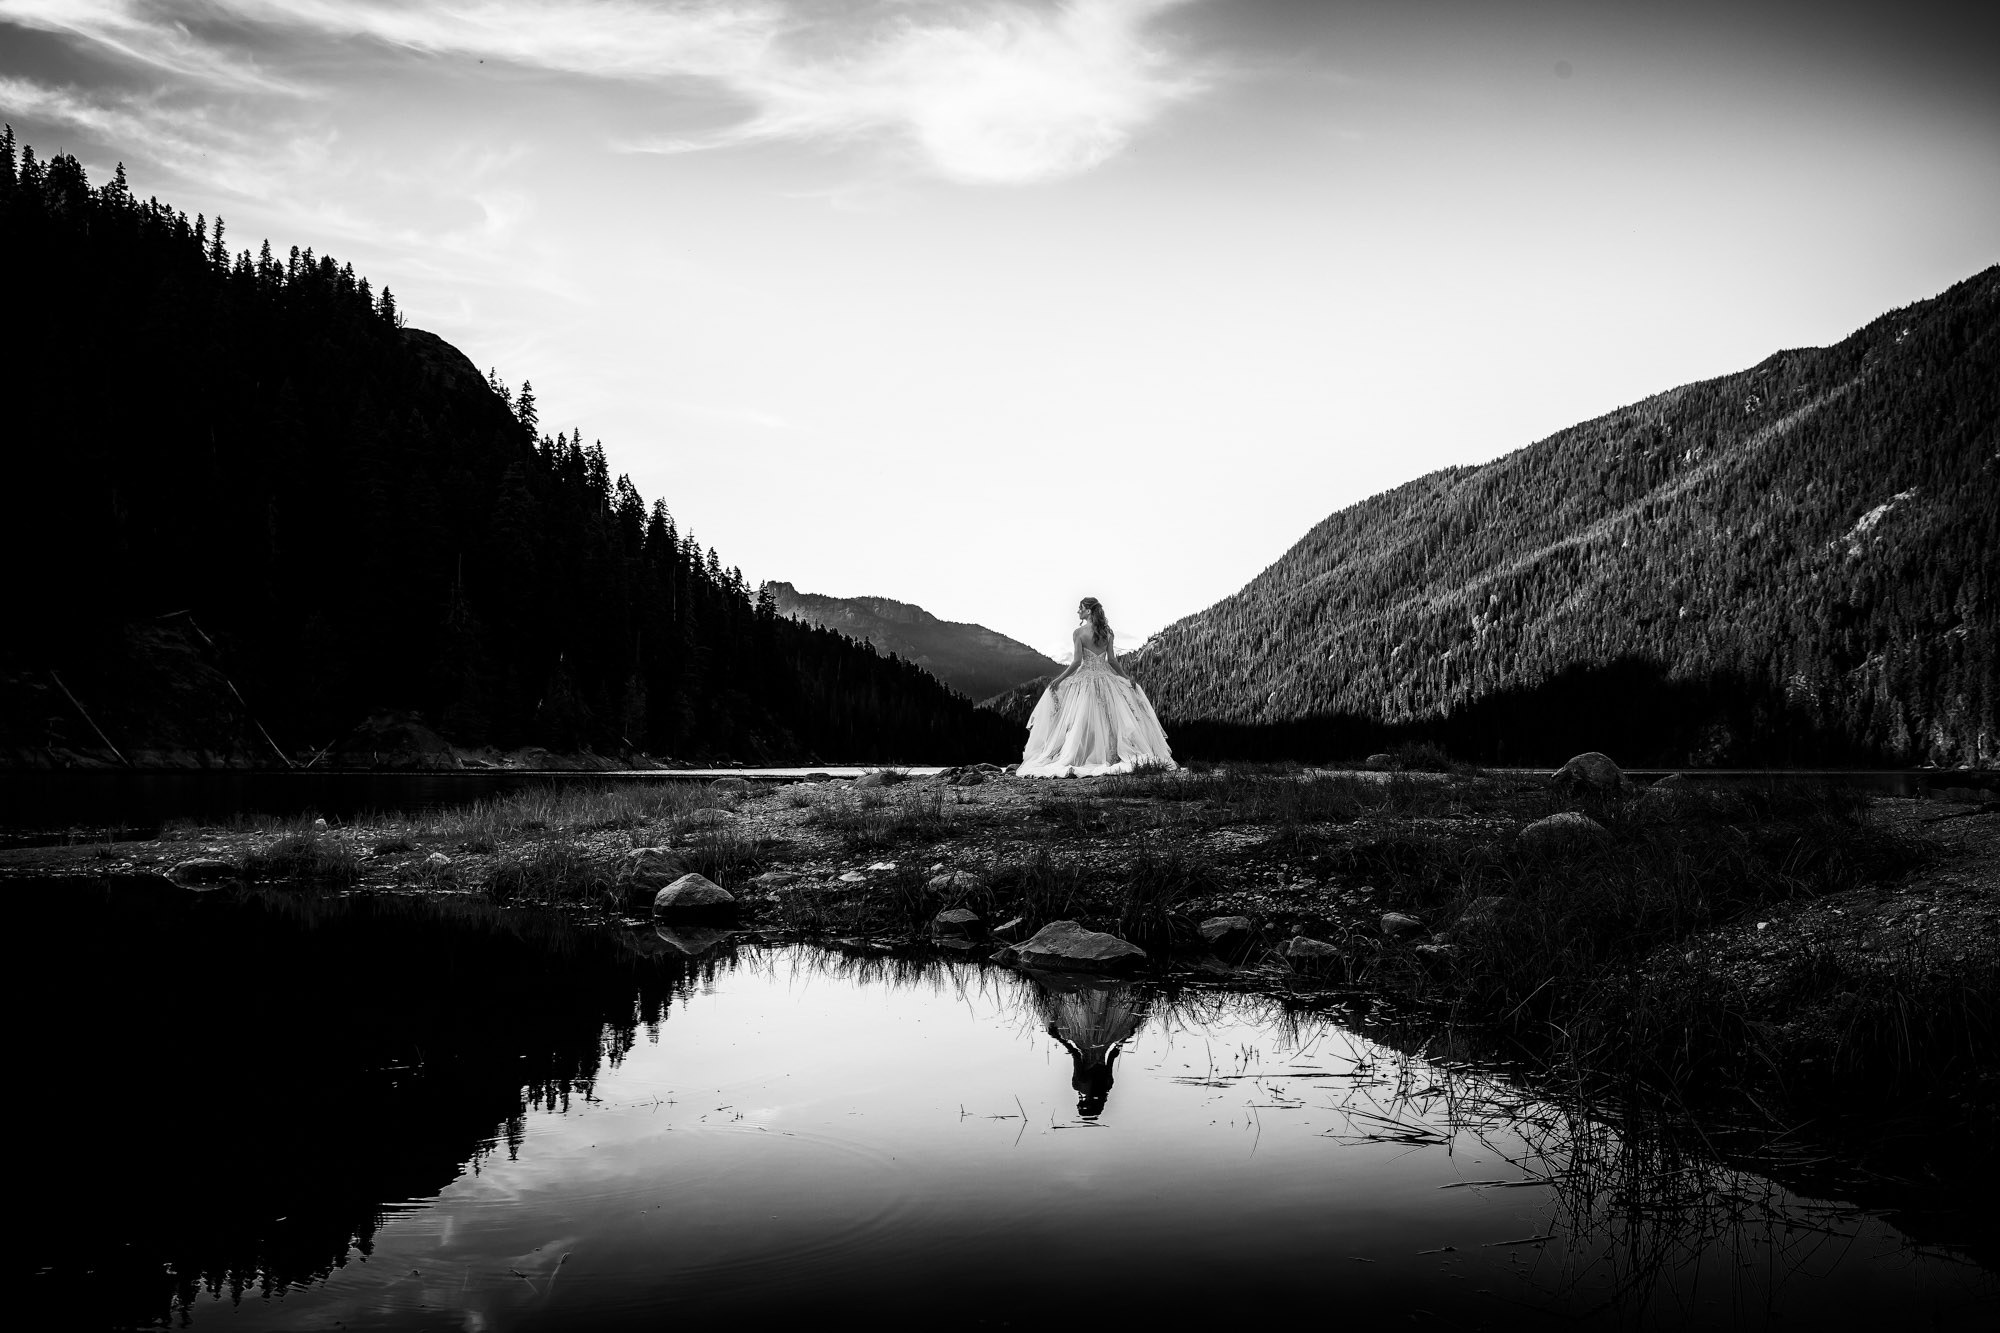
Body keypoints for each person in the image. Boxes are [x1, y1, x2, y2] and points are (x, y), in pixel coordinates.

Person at [1018, 596, 1176, 778]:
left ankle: (1083, 755)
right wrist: (1125, 678)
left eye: (1080, 608)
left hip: (1085, 680)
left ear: (1088, 611)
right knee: (1109, 719)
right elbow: (1112, 660)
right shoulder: (1107, 632)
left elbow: (1077, 662)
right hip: (1106, 679)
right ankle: (1109, 755)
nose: (1078, 611)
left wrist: (1059, 679)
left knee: (1081, 721)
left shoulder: (1078, 633)